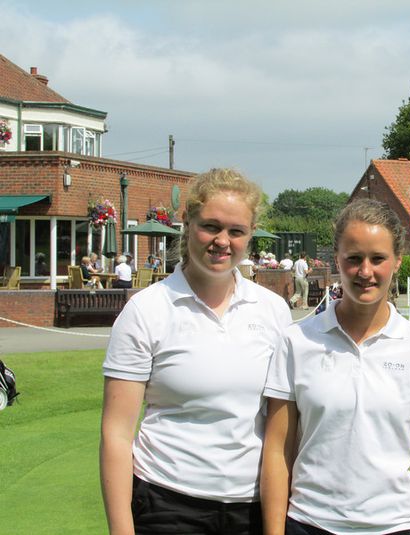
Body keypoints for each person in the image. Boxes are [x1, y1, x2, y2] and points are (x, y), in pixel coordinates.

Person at [100, 168, 292, 535]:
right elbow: (116, 434)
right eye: (211, 226)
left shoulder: (273, 311)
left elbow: (282, 427)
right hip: (167, 504)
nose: (222, 241)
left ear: (250, 234)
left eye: (236, 231)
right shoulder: (146, 310)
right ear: (187, 222)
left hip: (251, 507)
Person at [261, 198, 410, 535]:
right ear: (337, 260)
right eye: (354, 259)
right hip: (309, 523)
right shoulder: (297, 340)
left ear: (397, 261)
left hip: (395, 526)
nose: (365, 272)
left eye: (377, 259)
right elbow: (278, 450)